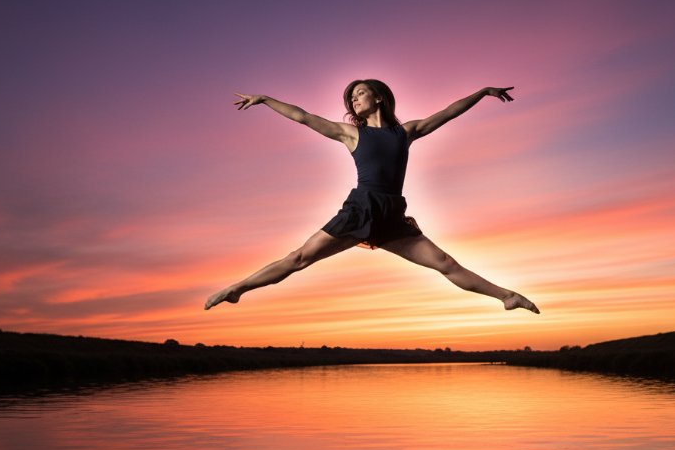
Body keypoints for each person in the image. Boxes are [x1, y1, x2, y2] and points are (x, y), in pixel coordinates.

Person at [204, 79, 539, 314]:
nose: (354, 100)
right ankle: (237, 289)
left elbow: (449, 112)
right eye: (351, 97)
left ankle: (507, 297)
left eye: (360, 93)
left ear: (378, 98)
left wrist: (482, 92)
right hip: (361, 209)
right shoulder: (351, 133)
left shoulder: (404, 132)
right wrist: (264, 99)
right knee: (299, 259)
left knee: (446, 264)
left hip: (392, 215)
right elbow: (303, 117)